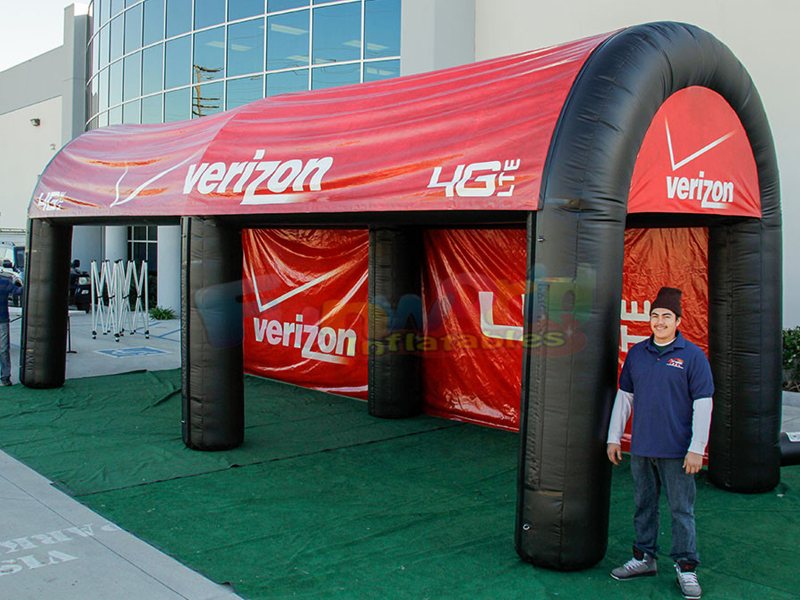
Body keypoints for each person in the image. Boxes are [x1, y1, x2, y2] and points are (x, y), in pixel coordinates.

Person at [607, 286, 713, 600]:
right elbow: (624, 398)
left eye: (666, 316)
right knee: (644, 505)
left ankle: (686, 567)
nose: (660, 321)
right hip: (642, 447)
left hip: (678, 451)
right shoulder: (637, 353)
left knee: (681, 510)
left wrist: (697, 447)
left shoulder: (693, 356)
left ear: (678, 320)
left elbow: (704, 402)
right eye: (655, 316)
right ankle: (644, 558)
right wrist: (614, 438)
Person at [0, 269, 23, 386]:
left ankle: (5, 377)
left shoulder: (4, 283)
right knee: (3, 350)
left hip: (2, 321)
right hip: (3, 321)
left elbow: (17, 291)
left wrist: (30, 283)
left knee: (3, 350)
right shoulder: (5, 283)